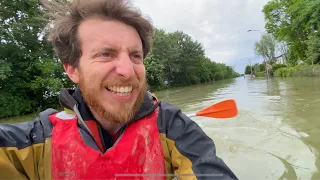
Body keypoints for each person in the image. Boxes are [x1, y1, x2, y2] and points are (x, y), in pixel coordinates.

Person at [0, 0, 238, 179]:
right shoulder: (37, 140)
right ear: (72, 69)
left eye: (136, 56)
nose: (127, 69)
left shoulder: (174, 127)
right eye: (106, 54)